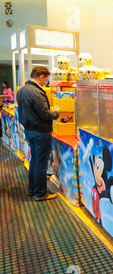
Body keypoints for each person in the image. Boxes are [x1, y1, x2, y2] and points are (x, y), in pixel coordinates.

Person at [17, 66, 60, 201]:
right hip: (40, 131)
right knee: (40, 164)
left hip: (29, 130)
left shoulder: (22, 90)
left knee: (34, 161)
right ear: (41, 77)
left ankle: (33, 189)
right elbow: (46, 114)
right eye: (45, 80)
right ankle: (40, 193)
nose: (45, 83)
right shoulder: (37, 91)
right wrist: (57, 112)